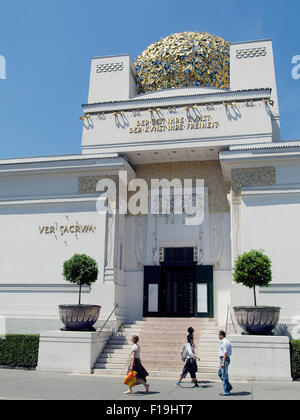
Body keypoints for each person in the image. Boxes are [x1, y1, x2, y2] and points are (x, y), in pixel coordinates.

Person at [218, 330, 233, 396]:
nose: (218, 336)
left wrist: (223, 362)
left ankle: (226, 391)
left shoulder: (225, 342)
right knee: (220, 373)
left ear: (221, 335)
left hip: (224, 359)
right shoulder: (226, 341)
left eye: (219, 335)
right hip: (224, 359)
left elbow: (225, 353)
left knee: (224, 375)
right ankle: (228, 385)